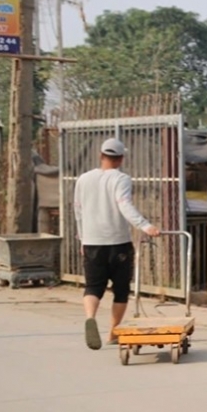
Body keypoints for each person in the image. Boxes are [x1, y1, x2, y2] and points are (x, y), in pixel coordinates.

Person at [72, 137, 160, 350]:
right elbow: (124, 205)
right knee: (120, 290)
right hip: (118, 242)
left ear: (101, 155)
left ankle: (90, 317)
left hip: (92, 241)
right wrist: (145, 226)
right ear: (120, 159)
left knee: (93, 286)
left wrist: (83, 238)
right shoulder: (121, 179)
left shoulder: (83, 179)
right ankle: (113, 331)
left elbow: (78, 210)